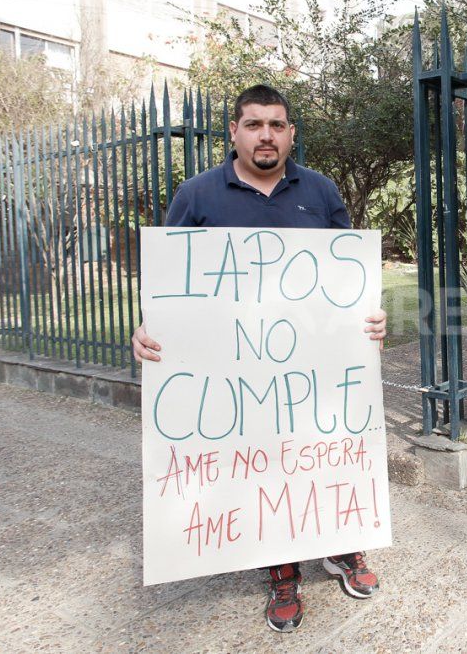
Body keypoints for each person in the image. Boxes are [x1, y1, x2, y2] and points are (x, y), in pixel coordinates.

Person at [131, 84, 387, 632]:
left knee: (323, 454)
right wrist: (145, 330)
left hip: (314, 365)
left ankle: (342, 546)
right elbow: (165, 283)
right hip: (233, 371)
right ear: (234, 132)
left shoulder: (319, 192)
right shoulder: (197, 195)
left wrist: (371, 316)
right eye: (253, 124)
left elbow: (350, 273)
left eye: (276, 125)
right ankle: (281, 571)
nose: (265, 135)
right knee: (261, 464)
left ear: (291, 133)